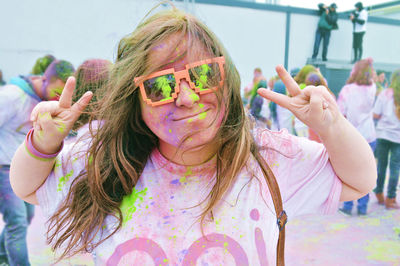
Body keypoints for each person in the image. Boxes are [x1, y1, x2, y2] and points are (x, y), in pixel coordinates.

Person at [10, 5, 376, 265]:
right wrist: (42, 143)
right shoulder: (107, 158)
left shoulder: (266, 157)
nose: (186, 98)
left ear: (226, 79)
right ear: (133, 99)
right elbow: (26, 187)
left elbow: (360, 181)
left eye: (203, 76)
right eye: (160, 85)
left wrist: (333, 126)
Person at [0, 59, 74, 266]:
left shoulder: (44, 101)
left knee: (26, 217)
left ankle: (1, 255)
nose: (56, 98)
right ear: (44, 79)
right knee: (17, 223)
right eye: (55, 91)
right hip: (3, 169)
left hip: (22, 170)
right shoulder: (12, 96)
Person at [337, 58, 376, 215]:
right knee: (366, 172)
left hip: (352, 137)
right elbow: (373, 78)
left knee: (349, 172)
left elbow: (341, 114)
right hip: (370, 135)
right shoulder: (373, 88)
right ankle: (362, 206)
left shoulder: (347, 90)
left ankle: (347, 206)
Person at [373, 69, 400, 209]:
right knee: (395, 169)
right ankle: (391, 198)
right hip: (398, 138)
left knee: (381, 166)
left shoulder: (384, 93)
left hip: (382, 134)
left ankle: (378, 193)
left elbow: (376, 115)